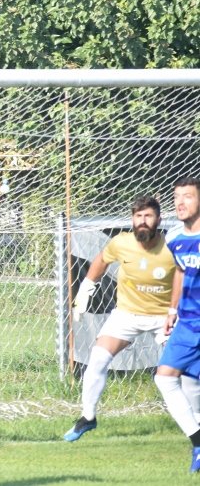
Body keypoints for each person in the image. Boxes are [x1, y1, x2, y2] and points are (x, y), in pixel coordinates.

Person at [63, 195, 179, 442]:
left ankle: (195, 420)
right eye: (138, 217)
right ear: (132, 220)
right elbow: (101, 260)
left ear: (158, 219)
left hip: (164, 318)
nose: (143, 221)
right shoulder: (121, 242)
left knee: (183, 369)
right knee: (97, 359)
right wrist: (85, 289)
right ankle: (88, 417)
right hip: (126, 315)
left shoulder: (172, 245)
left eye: (148, 216)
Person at [156, 176, 200, 474]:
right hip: (187, 322)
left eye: (187, 196)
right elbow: (181, 272)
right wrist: (172, 309)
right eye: (176, 197)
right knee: (168, 378)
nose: (180, 202)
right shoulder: (174, 238)